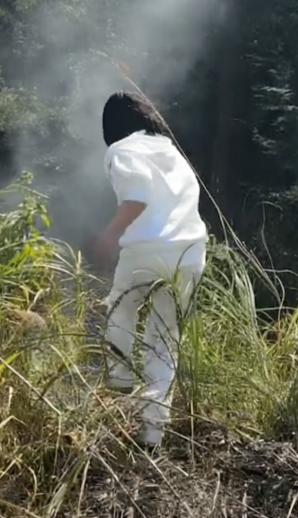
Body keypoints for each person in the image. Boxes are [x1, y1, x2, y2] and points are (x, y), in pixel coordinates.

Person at [93, 91, 208, 449]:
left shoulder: (122, 149)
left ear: (112, 126)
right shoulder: (170, 149)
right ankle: (151, 433)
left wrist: (108, 237)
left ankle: (121, 383)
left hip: (146, 250)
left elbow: (137, 197)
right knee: (165, 339)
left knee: (119, 308)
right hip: (190, 252)